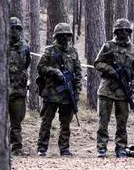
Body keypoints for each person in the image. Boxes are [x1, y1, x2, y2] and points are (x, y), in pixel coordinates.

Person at [93, 18, 134, 158]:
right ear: (116, 31)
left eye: (126, 30)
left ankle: (121, 148)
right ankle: (101, 148)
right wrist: (111, 70)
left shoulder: (133, 49)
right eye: (120, 30)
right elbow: (97, 63)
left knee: (122, 122)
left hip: (123, 91)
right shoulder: (108, 46)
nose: (123, 33)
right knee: (103, 121)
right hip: (107, 89)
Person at [35, 22, 82, 157]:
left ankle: (64, 148)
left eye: (67, 36)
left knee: (66, 123)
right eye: (62, 35)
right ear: (57, 36)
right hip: (51, 93)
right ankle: (42, 148)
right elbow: (40, 68)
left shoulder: (73, 52)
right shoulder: (49, 51)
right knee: (46, 122)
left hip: (68, 94)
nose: (65, 38)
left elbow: (78, 73)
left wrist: (77, 91)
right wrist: (54, 71)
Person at [6, 17, 32, 156]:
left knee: (17, 121)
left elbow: (26, 64)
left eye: (17, 28)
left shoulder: (25, 47)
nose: (14, 31)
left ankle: (16, 147)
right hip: (2, 90)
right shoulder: (0, 45)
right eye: (12, 28)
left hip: (18, 90)